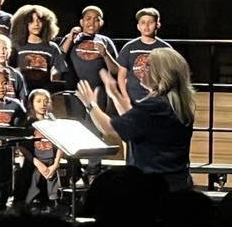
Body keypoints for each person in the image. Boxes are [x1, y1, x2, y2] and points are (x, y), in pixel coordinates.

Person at [76, 48, 195, 191]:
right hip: (175, 184)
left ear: (161, 73)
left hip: (155, 188)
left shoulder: (155, 106)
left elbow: (110, 129)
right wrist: (115, 95)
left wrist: (90, 104)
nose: (142, 69)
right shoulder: (172, 103)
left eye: (148, 65)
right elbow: (134, 122)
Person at [61, 5, 119, 110]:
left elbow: (116, 71)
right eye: (88, 19)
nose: (92, 22)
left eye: (96, 20)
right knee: (76, 120)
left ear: (101, 23)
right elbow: (58, 59)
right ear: (81, 22)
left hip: (98, 92)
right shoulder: (71, 38)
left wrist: (105, 54)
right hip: (75, 91)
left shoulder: (106, 41)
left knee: (96, 119)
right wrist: (69, 38)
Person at [17, 88, 62, 208]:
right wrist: (38, 164)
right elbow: (22, 147)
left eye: (46, 101)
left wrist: (55, 164)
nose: (43, 104)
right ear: (31, 103)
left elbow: (61, 145)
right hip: (34, 164)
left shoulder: (54, 123)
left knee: (51, 200)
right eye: (38, 101)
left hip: (51, 164)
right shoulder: (28, 124)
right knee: (29, 198)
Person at [117, 7, 171, 107]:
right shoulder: (129, 47)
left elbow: (170, 76)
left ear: (158, 25)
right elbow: (121, 76)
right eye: (143, 22)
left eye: (151, 22)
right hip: (133, 100)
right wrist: (125, 97)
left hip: (157, 100)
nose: (146, 26)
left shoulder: (165, 48)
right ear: (138, 26)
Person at [10, 4, 67, 92]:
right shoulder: (17, 46)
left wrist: (55, 74)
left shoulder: (51, 47)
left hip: (44, 92)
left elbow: (59, 68)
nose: (36, 24)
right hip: (22, 91)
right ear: (23, 24)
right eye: (31, 21)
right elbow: (10, 69)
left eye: (39, 21)